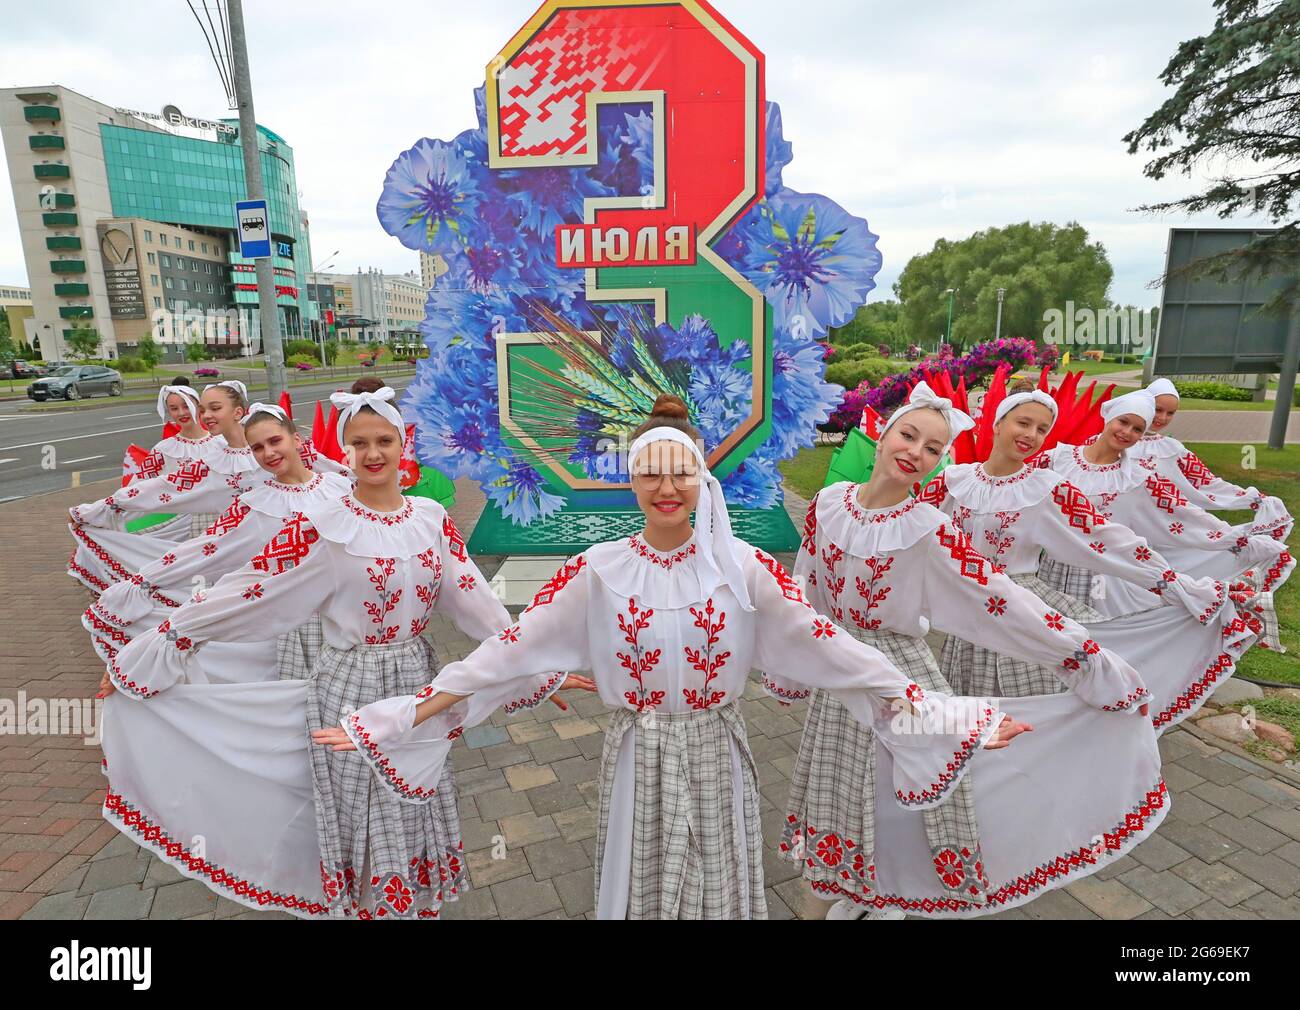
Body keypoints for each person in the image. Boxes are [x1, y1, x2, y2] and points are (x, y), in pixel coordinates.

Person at [313, 394, 1031, 920]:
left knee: (717, 887)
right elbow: (502, 651)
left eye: (680, 474)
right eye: (649, 474)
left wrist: (935, 711)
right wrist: (399, 717)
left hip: (717, 750)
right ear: (630, 480)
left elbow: (836, 649)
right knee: (643, 888)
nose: (665, 488)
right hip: (638, 754)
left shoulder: (744, 569)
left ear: (700, 482)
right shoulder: (595, 568)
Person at [98, 382, 581, 918]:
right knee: (361, 813)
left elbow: (479, 604)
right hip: (346, 690)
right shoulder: (322, 528)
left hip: (419, 691)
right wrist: (152, 646)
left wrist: (536, 669)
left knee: (413, 804)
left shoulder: (430, 520)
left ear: (403, 446)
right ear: (344, 450)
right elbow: (248, 590)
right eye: (359, 443)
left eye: (383, 441)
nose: (373, 454)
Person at [779, 382, 1166, 920]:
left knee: (907, 795)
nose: (915, 452)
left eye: (933, 448)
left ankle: (897, 893)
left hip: (900, 679)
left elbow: (1001, 600)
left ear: (940, 461)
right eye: (908, 435)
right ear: (884, 434)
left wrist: (1089, 658)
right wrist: (796, 665)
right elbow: (804, 587)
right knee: (841, 789)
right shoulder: (827, 504)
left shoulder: (930, 529)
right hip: (844, 676)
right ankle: (853, 889)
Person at [928, 382, 1259, 731]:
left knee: (1032, 714)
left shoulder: (1047, 487)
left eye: (1042, 429)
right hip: (968, 614)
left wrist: (1182, 586)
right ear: (997, 424)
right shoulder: (953, 481)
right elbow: (913, 531)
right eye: (1023, 423)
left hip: (1021, 609)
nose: (1032, 435)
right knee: (970, 715)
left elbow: (1109, 539)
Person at [82, 401, 351, 679]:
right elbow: (201, 549)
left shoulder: (340, 486)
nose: (268, 453)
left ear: (296, 439)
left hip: (351, 615)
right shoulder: (255, 505)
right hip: (298, 619)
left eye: (275, 441)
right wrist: (140, 584)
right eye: (257, 448)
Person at [1038, 389, 1293, 650]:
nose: (1127, 432)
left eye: (1137, 429)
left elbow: (1184, 513)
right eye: (1123, 422)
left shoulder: (1139, 478)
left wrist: (1239, 539)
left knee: (1099, 638)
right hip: (1052, 568)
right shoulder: (1057, 460)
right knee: (1049, 633)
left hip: (1103, 575)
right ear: (1109, 417)